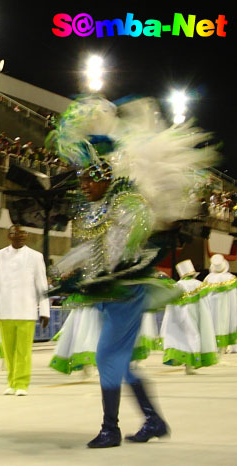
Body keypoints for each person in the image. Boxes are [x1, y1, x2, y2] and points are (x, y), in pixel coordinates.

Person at [48, 96, 214, 448]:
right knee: (120, 363)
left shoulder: (127, 203)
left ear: (104, 174)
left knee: (107, 356)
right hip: (105, 294)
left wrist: (95, 269)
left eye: (89, 178)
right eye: (80, 179)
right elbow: (88, 250)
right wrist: (66, 270)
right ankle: (153, 420)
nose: (83, 185)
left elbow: (122, 246)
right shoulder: (93, 209)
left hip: (125, 291)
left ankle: (111, 428)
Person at [0, 225, 49, 396]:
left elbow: (42, 285)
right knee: (8, 350)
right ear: (9, 236)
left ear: (26, 236)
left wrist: (44, 311)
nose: (20, 237)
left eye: (23, 234)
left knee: (23, 350)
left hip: (26, 310)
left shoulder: (36, 257)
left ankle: (22, 383)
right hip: (5, 310)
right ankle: (11, 382)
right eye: (16, 234)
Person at [161, 260, 217, 374]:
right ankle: (189, 366)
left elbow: (170, 305)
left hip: (178, 318)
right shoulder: (198, 285)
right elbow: (205, 301)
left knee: (181, 338)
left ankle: (187, 365)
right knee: (194, 337)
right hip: (195, 316)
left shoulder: (177, 286)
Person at [202, 254, 237, 355]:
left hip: (213, 308)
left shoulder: (208, 279)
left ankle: (214, 345)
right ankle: (231, 345)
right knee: (230, 322)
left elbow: (205, 295)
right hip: (229, 306)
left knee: (214, 324)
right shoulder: (231, 278)